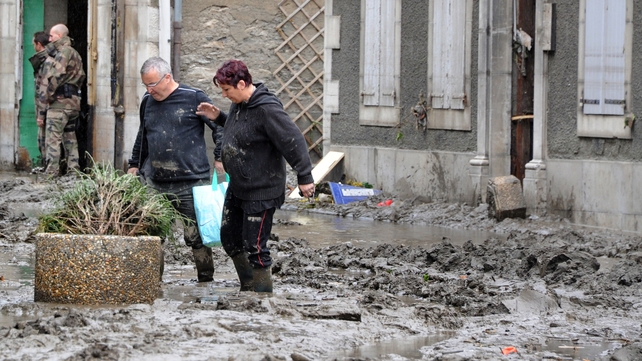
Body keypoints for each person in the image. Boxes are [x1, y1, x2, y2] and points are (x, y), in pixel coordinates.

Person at [196, 59, 315, 293]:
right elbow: (239, 129)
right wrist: (219, 117)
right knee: (229, 237)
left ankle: (262, 296)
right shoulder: (239, 105)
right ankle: (248, 285)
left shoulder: (266, 108)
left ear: (242, 84)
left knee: (255, 246)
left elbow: (293, 140)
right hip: (239, 187)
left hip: (261, 190)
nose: (225, 94)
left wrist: (305, 177)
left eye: (227, 90)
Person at [127, 56, 224, 283]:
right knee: (153, 234)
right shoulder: (147, 102)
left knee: (196, 236)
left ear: (167, 77)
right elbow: (144, 136)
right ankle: (153, 283)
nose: (149, 90)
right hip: (155, 181)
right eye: (145, 85)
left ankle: (205, 280)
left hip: (192, 180)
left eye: (153, 84)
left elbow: (219, 127)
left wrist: (219, 157)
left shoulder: (194, 97)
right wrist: (134, 164)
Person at [37, 24, 85, 177]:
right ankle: (73, 171)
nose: (49, 39)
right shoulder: (76, 53)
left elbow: (56, 76)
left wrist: (48, 97)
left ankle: (51, 173)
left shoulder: (63, 52)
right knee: (70, 137)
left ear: (59, 35)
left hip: (60, 103)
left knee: (53, 138)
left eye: (51, 36)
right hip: (73, 103)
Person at [29, 31, 52, 167]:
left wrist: (41, 115)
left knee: (46, 141)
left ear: (38, 44)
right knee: (42, 140)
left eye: (34, 43)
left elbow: (44, 89)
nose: (33, 46)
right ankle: (46, 166)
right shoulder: (43, 61)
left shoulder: (47, 63)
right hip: (45, 107)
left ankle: (49, 168)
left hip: (47, 108)